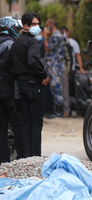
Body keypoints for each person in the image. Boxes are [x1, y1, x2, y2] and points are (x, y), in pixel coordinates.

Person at [1, 12, 49, 158]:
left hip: (20, 86)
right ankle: (34, 157)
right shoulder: (31, 42)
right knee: (35, 123)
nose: (37, 27)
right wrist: (43, 75)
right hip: (32, 86)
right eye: (34, 24)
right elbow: (33, 61)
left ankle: (23, 158)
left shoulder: (16, 42)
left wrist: (19, 74)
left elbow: (5, 65)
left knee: (26, 123)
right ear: (26, 26)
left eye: (38, 24)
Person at [0, 17, 25, 164]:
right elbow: (16, 69)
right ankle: (21, 159)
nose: (18, 32)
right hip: (12, 92)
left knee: (1, 128)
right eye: (17, 29)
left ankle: (4, 160)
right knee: (18, 126)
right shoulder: (11, 46)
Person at [44, 19, 64, 118]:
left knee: (56, 87)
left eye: (48, 26)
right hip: (52, 65)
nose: (47, 29)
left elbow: (47, 48)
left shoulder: (56, 36)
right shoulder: (56, 35)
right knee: (52, 87)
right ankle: (54, 110)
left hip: (55, 65)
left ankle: (59, 111)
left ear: (51, 26)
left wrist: (45, 36)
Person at [60, 26, 86, 100]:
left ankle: (72, 105)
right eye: (62, 32)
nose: (64, 34)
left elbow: (78, 56)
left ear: (68, 33)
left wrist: (81, 68)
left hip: (71, 69)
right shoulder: (58, 42)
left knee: (70, 88)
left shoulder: (73, 43)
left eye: (65, 32)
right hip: (61, 70)